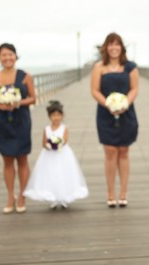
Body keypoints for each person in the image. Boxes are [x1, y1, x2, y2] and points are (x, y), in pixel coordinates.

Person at [90, 32, 139, 208]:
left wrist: (125, 103)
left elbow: (134, 88)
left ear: (121, 47)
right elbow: (95, 90)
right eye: (110, 44)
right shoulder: (99, 67)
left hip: (126, 112)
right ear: (106, 47)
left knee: (124, 151)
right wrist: (109, 104)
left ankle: (123, 192)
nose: (114, 48)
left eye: (117, 44)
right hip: (105, 113)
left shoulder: (130, 67)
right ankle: (110, 192)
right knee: (110, 151)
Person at [0, 43, 36, 214]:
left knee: (22, 159)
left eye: (10, 54)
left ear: (16, 56)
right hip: (3, 121)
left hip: (21, 119)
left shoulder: (25, 76)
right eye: (3, 55)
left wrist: (18, 103)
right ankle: (10, 196)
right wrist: (2, 106)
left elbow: (33, 98)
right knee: (7, 160)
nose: (7, 58)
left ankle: (22, 195)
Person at [24, 100, 89, 209]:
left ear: (62, 116)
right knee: (51, 174)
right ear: (49, 117)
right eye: (53, 115)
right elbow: (44, 143)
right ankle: (53, 197)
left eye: (58, 115)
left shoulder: (64, 128)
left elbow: (64, 140)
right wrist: (49, 146)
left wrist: (58, 144)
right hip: (49, 155)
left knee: (62, 173)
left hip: (62, 154)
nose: (56, 118)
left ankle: (63, 197)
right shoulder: (47, 129)